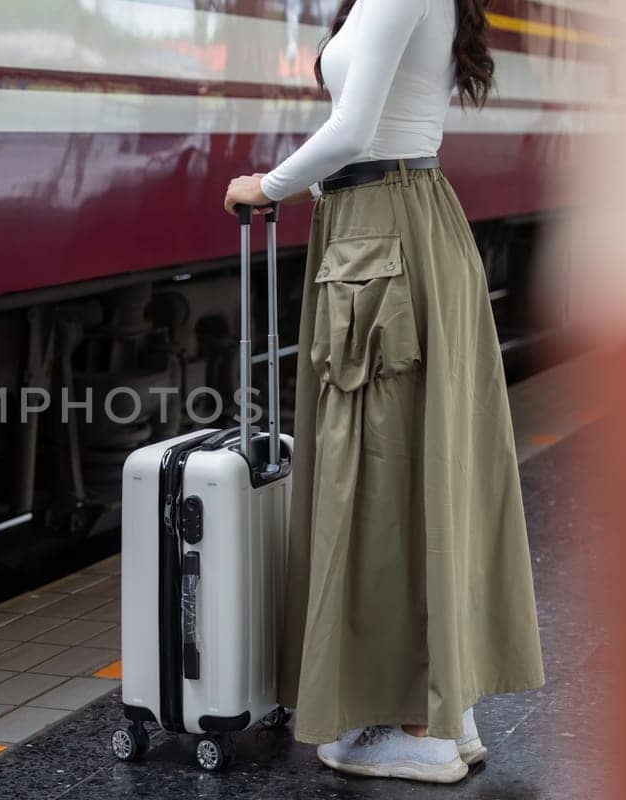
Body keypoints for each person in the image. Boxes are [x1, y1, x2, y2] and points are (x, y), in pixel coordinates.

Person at [222, 0, 545, 784]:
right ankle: (442, 710)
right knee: (406, 467)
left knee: (381, 470)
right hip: (384, 229)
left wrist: (266, 184)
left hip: (384, 233)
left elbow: (355, 129)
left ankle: (423, 728)